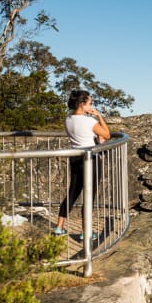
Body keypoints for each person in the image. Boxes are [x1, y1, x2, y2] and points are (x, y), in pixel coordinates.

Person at [54, 90, 111, 238]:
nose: (91, 106)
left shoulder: (68, 119)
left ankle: (59, 227)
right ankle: (86, 232)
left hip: (75, 157)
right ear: (82, 104)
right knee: (89, 196)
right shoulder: (90, 121)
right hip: (90, 159)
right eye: (90, 103)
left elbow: (78, 136)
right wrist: (99, 116)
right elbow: (107, 134)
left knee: (72, 192)